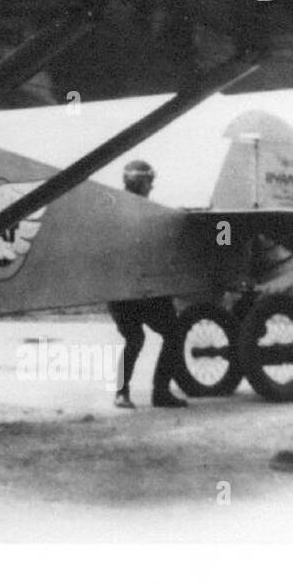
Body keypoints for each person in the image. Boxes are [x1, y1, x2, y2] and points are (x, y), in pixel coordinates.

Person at [109, 160, 187, 409]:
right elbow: (223, 230)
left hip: (121, 291)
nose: (151, 187)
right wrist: (224, 235)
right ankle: (160, 392)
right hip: (144, 290)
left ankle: (121, 393)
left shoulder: (113, 208)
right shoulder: (145, 210)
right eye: (149, 182)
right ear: (141, 182)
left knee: (134, 339)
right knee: (174, 334)